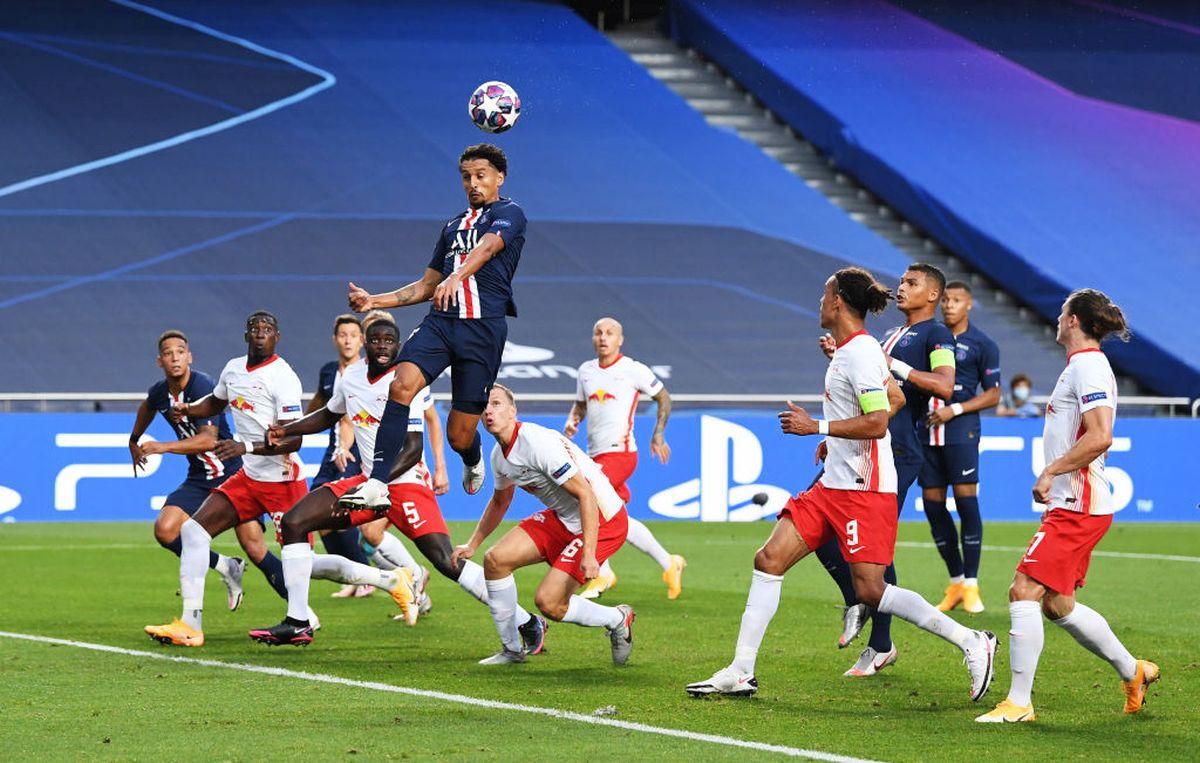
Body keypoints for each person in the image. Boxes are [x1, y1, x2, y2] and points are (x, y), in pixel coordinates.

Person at [686, 268, 995, 700]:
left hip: (864, 490)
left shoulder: (863, 353)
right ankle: (741, 670)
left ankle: (970, 641)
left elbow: (877, 423)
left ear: (837, 303)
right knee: (769, 559)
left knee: (871, 588)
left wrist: (818, 427)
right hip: (834, 485)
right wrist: (833, 440)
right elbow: (897, 398)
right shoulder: (855, 351)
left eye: (824, 294)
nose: (819, 301)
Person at [248, 317, 546, 651]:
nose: (383, 347)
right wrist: (288, 429)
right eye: (376, 340)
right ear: (366, 342)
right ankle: (298, 621)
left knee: (447, 562)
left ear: (399, 345)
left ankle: (527, 621)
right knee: (294, 521)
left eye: (390, 341)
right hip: (367, 482)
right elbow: (330, 414)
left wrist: (377, 481)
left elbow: (411, 448)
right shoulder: (352, 377)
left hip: (405, 484)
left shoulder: (409, 380)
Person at [977, 289, 1158, 723]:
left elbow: (1100, 436)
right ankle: (1133, 671)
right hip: (1073, 501)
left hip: (1078, 502)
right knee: (1056, 603)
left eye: (1062, 313)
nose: (1058, 319)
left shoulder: (1091, 367)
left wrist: (1051, 470)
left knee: (1022, 590)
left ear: (1074, 320)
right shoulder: (1079, 367)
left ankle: (1019, 703)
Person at [340, 143, 527, 513]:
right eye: (466, 177)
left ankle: (472, 458)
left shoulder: (510, 213)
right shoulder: (452, 226)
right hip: (442, 324)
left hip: (482, 331)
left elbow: (489, 248)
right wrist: (373, 301)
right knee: (401, 384)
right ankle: (377, 483)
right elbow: (427, 287)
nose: (473, 183)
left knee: (460, 436)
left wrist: (457, 275)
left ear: (499, 178)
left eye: (481, 176)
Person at [815, 263, 957, 677]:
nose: (901, 288)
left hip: (896, 449)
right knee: (821, 531)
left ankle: (880, 642)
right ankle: (859, 602)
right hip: (860, 448)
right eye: (902, 281)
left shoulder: (936, 334)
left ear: (932, 294)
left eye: (912, 283)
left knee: (872, 551)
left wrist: (891, 364)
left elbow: (945, 385)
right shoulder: (886, 336)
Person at [144, 311, 309, 647]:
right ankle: (190, 625)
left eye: (267, 330)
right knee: (191, 532)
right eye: (255, 329)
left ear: (277, 336)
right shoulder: (233, 369)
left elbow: (295, 439)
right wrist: (189, 411)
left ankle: (383, 579)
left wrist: (244, 445)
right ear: (246, 334)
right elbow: (216, 402)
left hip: (281, 478)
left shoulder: (284, 377)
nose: (260, 334)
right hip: (247, 475)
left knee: (300, 560)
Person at [451, 384, 634, 666]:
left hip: (603, 518)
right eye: (484, 406)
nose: (488, 410)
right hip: (562, 517)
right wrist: (472, 543)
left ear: (513, 411)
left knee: (550, 604)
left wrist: (588, 554)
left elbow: (586, 494)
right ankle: (512, 650)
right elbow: (500, 501)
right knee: (495, 560)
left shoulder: (536, 443)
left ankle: (617, 618)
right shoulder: (499, 457)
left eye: (497, 404)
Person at [129, 330, 267, 612]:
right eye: (168, 353)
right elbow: (147, 406)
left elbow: (208, 440)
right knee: (165, 530)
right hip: (199, 478)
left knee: (254, 546)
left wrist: (163, 447)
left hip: (231, 475)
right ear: (160, 361)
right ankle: (227, 566)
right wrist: (133, 439)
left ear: (189, 356)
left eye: (180, 351)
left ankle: (299, 609)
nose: (175, 357)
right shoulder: (160, 392)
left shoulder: (201, 385)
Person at [563, 317, 685, 600]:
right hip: (595, 454)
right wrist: (573, 419)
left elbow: (664, 398)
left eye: (610, 333)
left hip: (621, 452)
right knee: (618, 518)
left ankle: (603, 572)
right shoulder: (586, 371)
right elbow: (581, 403)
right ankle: (670, 563)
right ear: (593, 338)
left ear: (620, 340)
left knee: (584, 499)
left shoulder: (632, 369)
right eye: (598, 332)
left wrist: (658, 434)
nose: (603, 337)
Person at [920, 281, 1001, 613]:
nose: (949, 305)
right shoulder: (928, 338)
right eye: (946, 300)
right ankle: (955, 583)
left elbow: (993, 394)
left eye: (956, 300)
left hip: (961, 430)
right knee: (932, 505)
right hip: (925, 432)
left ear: (969, 305)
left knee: (967, 502)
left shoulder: (983, 344)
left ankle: (972, 584)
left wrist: (955, 409)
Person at [308, 314, 374, 598]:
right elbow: (318, 408)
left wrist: (346, 448)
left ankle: (367, 574)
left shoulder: (367, 371)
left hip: (356, 450)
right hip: (332, 450)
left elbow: (350, 417)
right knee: (317, 516)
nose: (347, 340)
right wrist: (289, 427)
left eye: (353, 335)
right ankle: (354, 576)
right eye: (342, 335)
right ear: (335, 339)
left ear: (361, 340)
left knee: (340, 509)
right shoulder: (327, 373)